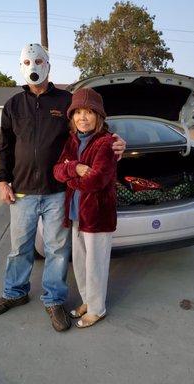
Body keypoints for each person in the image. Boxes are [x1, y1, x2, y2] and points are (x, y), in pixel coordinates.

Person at [0, 43, 125, 332]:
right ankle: (14, 293)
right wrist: (2, 180)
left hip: (58, 191)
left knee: (57, 249)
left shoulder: (67, 101)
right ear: (20, 65)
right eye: (26, 61)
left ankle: (54, 299)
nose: (32, 66)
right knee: (18, 248)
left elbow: (92, 127)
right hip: (22, 190)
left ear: (48, 64)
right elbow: (5, 146)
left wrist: (119, 141)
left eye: (38, 60)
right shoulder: (13, 105)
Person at [53, 88, 117, 328]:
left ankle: (98, 309)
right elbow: (57, 169)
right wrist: (75, 168)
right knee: (80, 262)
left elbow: (97, 180)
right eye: (78, 112)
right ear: (72, 117)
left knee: (96, 265)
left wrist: (70, 174)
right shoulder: (72, 140)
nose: (82, 117)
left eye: (89, 112)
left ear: (98, 116)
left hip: (98, 216)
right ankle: (88, 301)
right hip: (76, 214)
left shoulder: (106, 143)